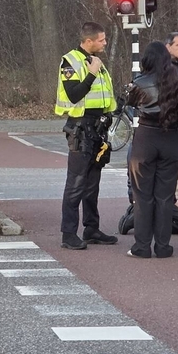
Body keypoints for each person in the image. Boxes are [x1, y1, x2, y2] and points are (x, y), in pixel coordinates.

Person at [56, 22, 119, 250]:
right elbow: (73, 95)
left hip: (98, 128)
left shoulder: (98, 63)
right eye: (101, 40)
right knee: (76, 182)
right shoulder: (70, 61)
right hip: (80, 128)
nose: (104, 43)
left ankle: (91, 228)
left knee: (93, 182)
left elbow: (103, 97)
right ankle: (68, 233)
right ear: (89, 40)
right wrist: (91, 74)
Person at [126, 42, 178, 259]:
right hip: (170, 139)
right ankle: (163, 246)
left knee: (142, 195)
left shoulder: (139, 83)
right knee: (165, 197)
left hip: (145, 138)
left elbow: (129, 103)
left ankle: (142, 246)